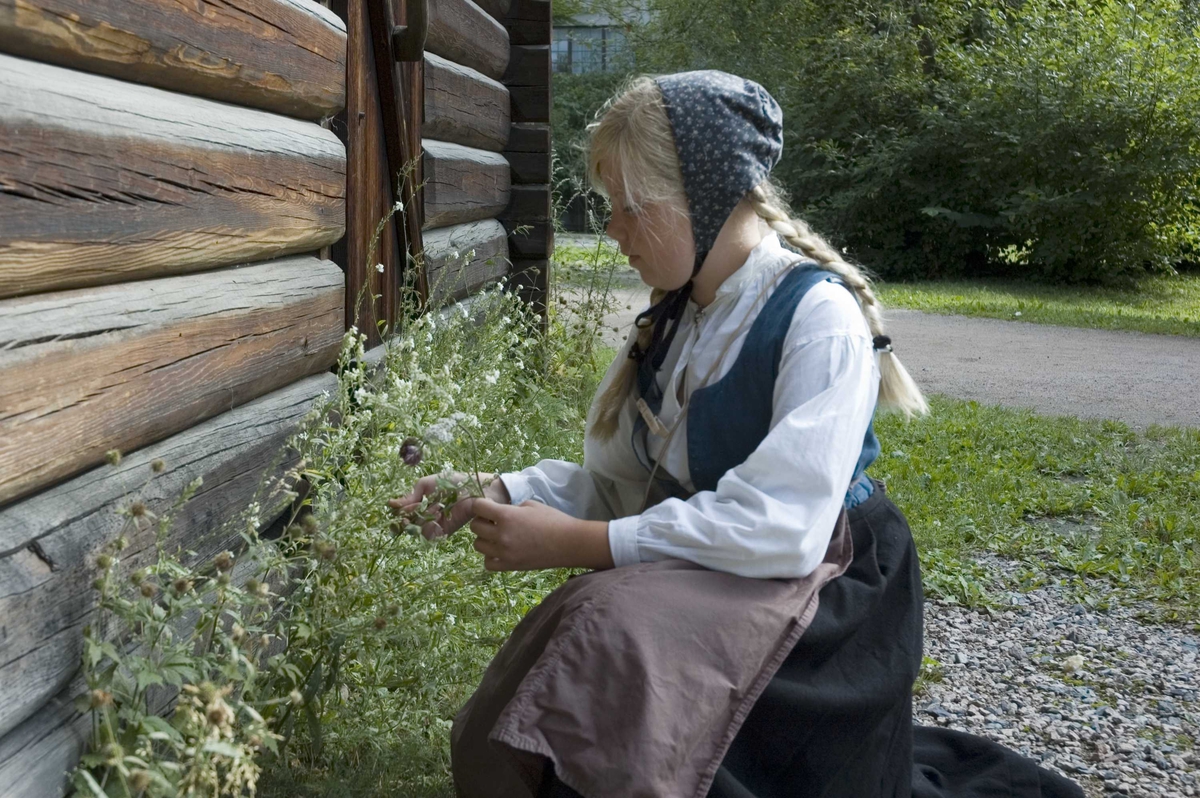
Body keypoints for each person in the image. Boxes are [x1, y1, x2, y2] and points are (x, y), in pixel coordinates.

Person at [392, 71, 1083, 798]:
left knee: (613, 622)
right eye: (610, 208)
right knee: (599, 629)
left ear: (706, 198)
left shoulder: (818, 320)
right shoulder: (680, 319)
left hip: (822, 583)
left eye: (631, 208)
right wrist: (495, 490)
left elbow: (783, 527)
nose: (615, 231)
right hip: (726, 562)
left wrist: (579, 545)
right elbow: (632, 484)